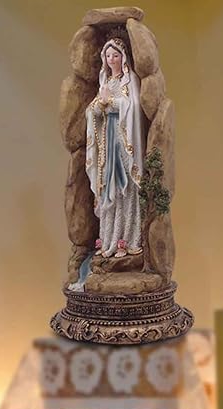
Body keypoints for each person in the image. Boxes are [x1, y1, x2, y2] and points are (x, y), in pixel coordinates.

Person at [85, 37, 144, 259]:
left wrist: (111, 103)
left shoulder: (129, 81)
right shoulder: (106, 82)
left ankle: (126, 240)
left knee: (124, 185)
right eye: (108, 55)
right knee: (107, 185)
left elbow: (132, 107)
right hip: (108, 141)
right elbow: (93, 111)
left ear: (123, 57)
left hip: (123, 141)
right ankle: (109, 239)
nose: (111, 59)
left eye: (115, 55)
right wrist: (99, 105)